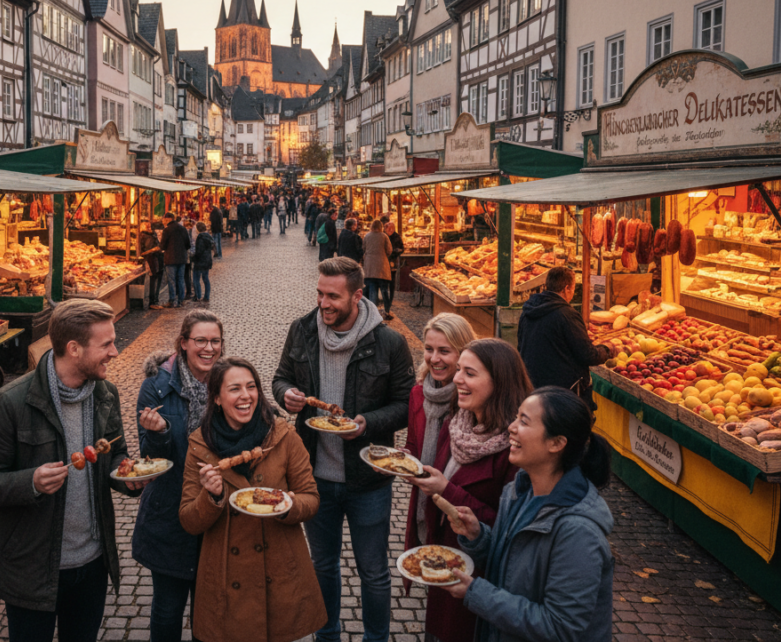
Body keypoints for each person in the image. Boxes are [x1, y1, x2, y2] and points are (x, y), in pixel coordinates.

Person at [0, 299, 150, 642]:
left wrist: (132, 481)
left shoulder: (105, 394)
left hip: (92, 564)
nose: (115, 351)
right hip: (32, 568)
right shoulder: (11, 403)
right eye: (106, 344)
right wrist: (30, 482)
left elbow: (114, 455)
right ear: (74, 348)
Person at [272, 256, 415, 642]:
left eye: (333, 296)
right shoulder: (301, 330)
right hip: (315, 477)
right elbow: (280, 377)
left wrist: (368, 424)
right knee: (323, 566)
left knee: (373, 570)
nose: (323, 303)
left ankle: (376, 638)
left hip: (369, 477)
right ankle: (327, 635)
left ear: (358, 295)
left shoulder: (390, 342)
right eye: (319, 293)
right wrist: (287, 395)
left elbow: (405, 405)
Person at [441, 386, 614, 642]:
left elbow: (560, 627)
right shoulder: (519, 491)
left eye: (523, 421)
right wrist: (479, 537)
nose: (511, 427)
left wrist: (477, 594)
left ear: (556, 443)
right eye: (516, 417)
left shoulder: (578, 531)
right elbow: (513, 565)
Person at [181, 357, 327, 642]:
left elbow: (311, 498)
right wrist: (212, 496)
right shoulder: (200, 445)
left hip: (278, 570)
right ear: (217, 398)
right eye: (234, 389)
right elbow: (188, 520)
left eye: (251, 387)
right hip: (226, 575)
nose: (245, 395)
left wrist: (286, 505)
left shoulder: (284, 436)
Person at [402, 336, 530, 642]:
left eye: (469, 373)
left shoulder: (516, 449)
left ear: (499, 383)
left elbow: (511, 526)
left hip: (482, 581)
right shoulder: (457, 423)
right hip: (443, 566)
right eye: (460, 370)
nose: (457, 378)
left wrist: (445, 489)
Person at [134, 310, 224, 642]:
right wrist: (157, 434)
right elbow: (151, 461)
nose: (208, 348)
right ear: (183, 343)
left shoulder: (227, 382)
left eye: (215, 341)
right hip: (170, 513)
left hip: (216, 513)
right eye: (200, 340)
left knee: (209, 611)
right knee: (168, 610)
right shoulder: (156, 387)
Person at [517, 266, 612, 409]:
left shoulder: (528, 310)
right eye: (573, 288)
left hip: (532, 387)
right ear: (566, 288)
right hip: (563, 394)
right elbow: (588, 355)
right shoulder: (567, 315)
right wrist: (607, 350)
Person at [362, 219, 393, 315]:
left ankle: (373, 311)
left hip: (370, 267)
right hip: (382, 267)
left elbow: (363, 248)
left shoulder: (367, 236)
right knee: (384, 290)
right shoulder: (384, 236)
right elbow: (389, 250)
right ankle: (387, 310)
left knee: (372, 289)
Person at [161, 213, 191, 308]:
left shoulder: (166, 230)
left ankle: (171, 300)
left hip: (170, 259)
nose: (163, 221)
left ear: (168, 219)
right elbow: (188, 244)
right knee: (180, 279)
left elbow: (163, 246)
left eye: (164, 219)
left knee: (172, 280)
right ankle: (181, 300)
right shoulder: (183, 229)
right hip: (182, 258)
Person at [140, 221, 165, 309]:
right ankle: (153, 302)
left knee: (155, 280)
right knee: (154, 280)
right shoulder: (148, 237)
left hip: (156, 260)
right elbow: (150, 249)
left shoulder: (151, 236)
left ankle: (154, 300)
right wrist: (156, 249)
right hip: (153, 261)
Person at [383, 221, 404, 318]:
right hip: (383, 264)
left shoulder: (397, 237)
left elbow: (402, 248)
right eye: (389, 228)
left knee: (391, 284)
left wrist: (396, 252)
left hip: (392, 264)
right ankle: (385, 304)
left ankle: (388, 306)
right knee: (384, 285)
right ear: (385, 228)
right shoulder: (382, 236)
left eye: (392, 228)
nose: (391, 230)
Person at [192, 222, 214, 304]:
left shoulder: (200, 238)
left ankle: (198, 296)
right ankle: (206, 296)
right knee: (206, 279)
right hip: (207, 261)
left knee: (196, 279)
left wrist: (193, 258)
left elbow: (199, 251)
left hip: (200, 262)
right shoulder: (209, 236)